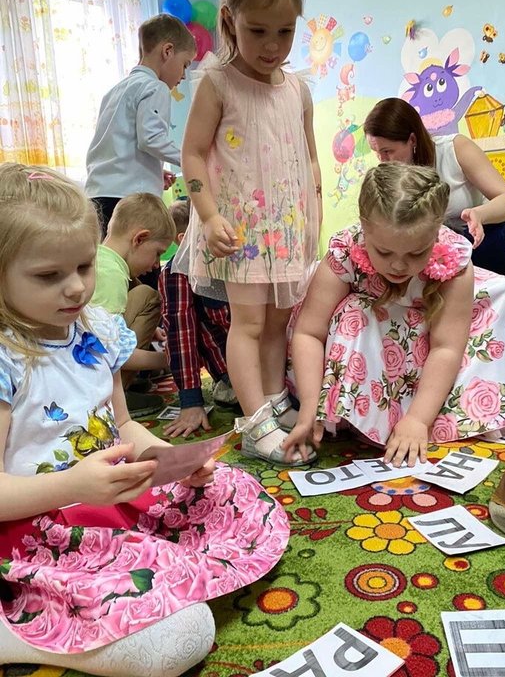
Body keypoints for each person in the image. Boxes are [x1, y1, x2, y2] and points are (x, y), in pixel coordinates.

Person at [0, 163, 289, 677]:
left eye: (85, 266)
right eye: (49, 276)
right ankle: (19, 627)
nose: (76, 288)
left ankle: (117, 592)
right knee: (183, 634)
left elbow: (123, 425)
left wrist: (172, 461)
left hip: (106, 501)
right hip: (34, 532)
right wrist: (73, 485)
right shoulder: (7, 357)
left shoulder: (95, 331)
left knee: (232, 491)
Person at [284, 163, 505, 467]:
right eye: (384, 252)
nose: (399, 266)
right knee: (354, 314)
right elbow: (310, 332)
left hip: (441, 323)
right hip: (382, 327)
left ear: (436, 233)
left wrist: (418, 420)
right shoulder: (345, 251)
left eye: (416, 253)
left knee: (503, 298)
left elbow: (446, 347)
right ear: (364, 227)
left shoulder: (453, 260)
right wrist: (309, 407)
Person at [175, 0, 321, 466]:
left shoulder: (298, 89)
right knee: (250, 322)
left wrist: (311, 217)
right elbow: (192, 153)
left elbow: (309, 158)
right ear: (230, 20)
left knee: (280, 321)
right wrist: (209, 215)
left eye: (285, 31)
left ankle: (275, 400)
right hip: (238, 229)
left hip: (285, 229)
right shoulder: (217, 82)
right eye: (258, 30)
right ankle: (256, 422)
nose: (272, 45)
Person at [364, 97, 505, 277]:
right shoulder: (391, 174)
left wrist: (479, 214)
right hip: (431, 253)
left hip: (481, 244)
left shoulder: (455, 148)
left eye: (387, 151)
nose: (382, 161)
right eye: (376, 153)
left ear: (412, 140)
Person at [85, 13, 196, 236]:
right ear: (167, 51)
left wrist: (153, 170)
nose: (184, 75)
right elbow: (151, 139)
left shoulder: (115, 90)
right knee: (140, 256)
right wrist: (190, 158)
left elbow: (118, 144)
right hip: (130, 200)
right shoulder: (155, 87)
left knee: (108, 256)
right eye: (184, 65)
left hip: (98, 194)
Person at [159, 198, 237, 439]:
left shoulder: (247, 259)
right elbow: (180, 334)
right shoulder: (178, 272)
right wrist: (191, 400)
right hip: (231, 368)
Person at [90, 193, 174, 412]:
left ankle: (125, 385)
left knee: (143, 294)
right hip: (93, 379)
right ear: (139, 239)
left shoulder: (102, 259)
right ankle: (117, 396)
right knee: (148, 296)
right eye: (157, 253)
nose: (156, 264)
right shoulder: (111, 276)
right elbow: (110, 351)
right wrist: (169, 359)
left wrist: (151, 330)